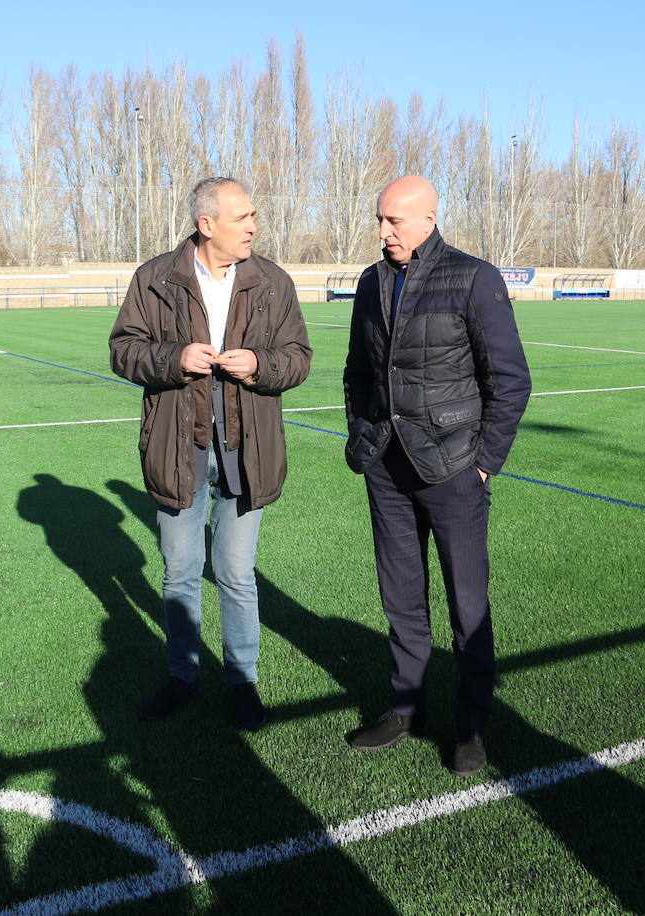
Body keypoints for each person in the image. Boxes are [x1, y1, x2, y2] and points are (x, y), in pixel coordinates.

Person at [342, 175, 532, 776]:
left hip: (452, 469)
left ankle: (472, 721)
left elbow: (509, 379)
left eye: (394, 222)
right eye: (380, 220)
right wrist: (362, 434)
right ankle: (404, 708)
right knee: (401, 598)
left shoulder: (474, 278)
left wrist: (482, 464)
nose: (382, 232)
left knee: (466, 602)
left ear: (428, 219)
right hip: (387, 465)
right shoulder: (371, 282)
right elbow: (357, 370)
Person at [110, 177, 312, 731]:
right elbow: (123, 351)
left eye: (253, 215)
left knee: (236, 573)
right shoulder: (154, 279)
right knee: (180, 572)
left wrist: (260, 365)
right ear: (207, 224)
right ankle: (183, 677)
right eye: (243, 216)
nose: (253, 225)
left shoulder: (273, 281)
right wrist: (176, 358)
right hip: (179, 449)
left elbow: (298, 357)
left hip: (249, 450)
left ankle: (242, 682)